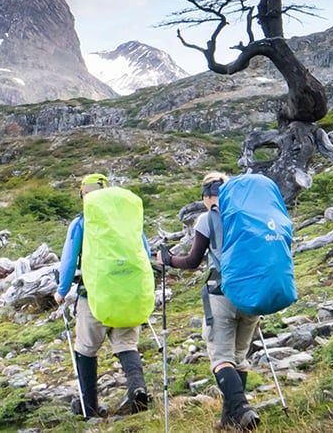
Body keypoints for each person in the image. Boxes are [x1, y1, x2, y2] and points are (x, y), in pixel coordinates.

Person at [158, 171, 261, 431]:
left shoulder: (207, 218)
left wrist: (168, 260)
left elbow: (192, 261)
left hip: (222, 294)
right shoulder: (248, 213)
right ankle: (230, 420)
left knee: (220, 358)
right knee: (238, 357)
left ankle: (241, 409)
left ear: (206, 196)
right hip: (253, 293)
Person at [54, 173, 154, 419]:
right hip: (129, 294)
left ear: (83, 194)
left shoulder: (82, 222)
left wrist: (61, 291)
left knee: (86, 350)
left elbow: (68, 260)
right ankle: (138, 389)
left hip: (94, 297)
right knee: (127, 346)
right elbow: (146, 253)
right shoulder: (127, 220)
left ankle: (90, 408)